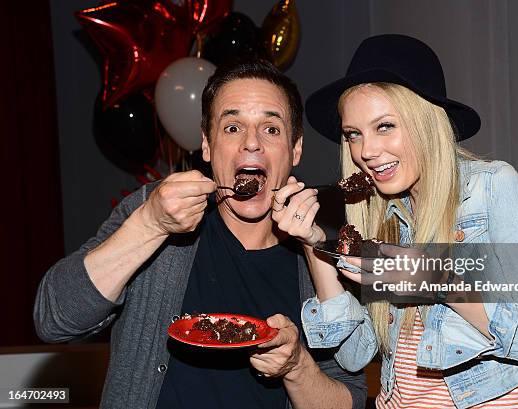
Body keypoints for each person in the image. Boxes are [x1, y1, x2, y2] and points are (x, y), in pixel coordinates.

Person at [33, 59, 366, 409]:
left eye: (270, 129)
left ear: (295, 148)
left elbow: (351, 399)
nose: (251, 143)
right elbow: (54, 319)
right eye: (232, 127)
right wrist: (150, 224)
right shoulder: (154, 211)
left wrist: (298, 367)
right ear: (206, 145)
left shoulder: (318, 257)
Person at [274, 35, 518, 408]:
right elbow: (354, 355)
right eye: (353, 134)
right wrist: (314, 244)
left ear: (425, 122)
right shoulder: (381, 214)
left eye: (385, 126)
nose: (366, 151)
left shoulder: (492, 190)